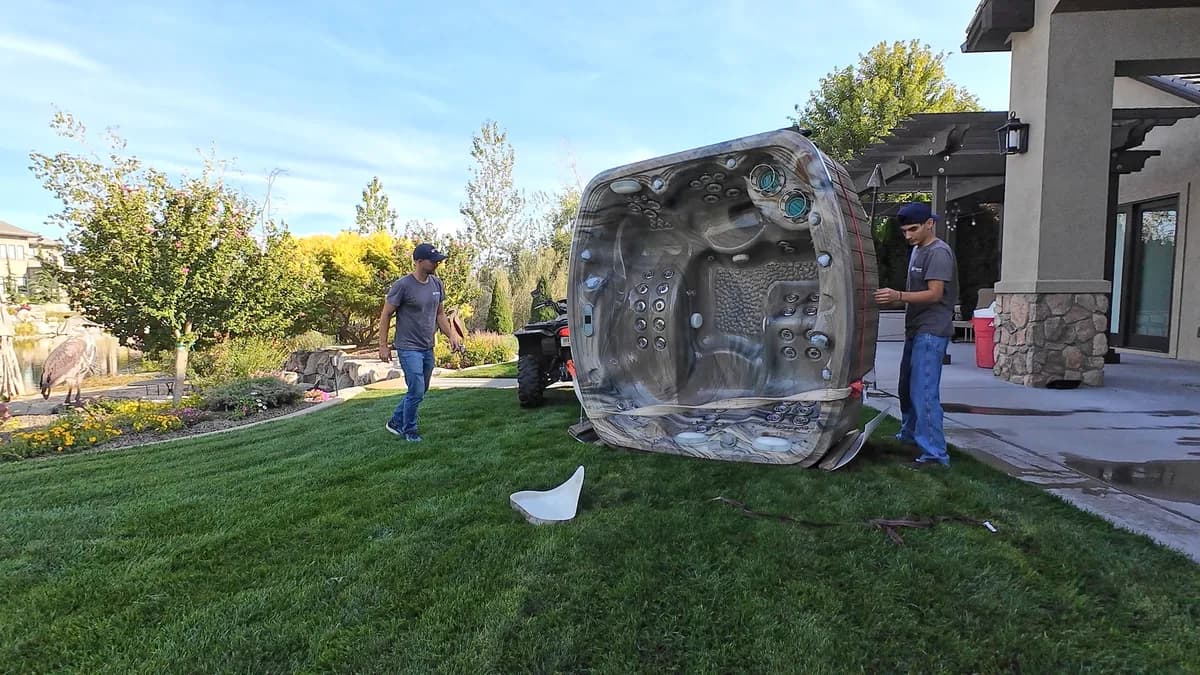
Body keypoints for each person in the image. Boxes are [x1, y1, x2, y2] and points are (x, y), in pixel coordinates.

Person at [873, 202, 958, 467]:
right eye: (904, 231)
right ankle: (909, 437)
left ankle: (934, 454)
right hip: (916, 329)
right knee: (906, 389)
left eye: (913, 229)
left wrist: (898, 296)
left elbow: (935, 294)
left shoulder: (939, 253)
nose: (908, 235)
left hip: (932, 331)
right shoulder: (918, 250)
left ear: (929, 224)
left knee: (923, 392)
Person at [379, 243, 463, 441]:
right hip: (408, 347)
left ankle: (395, 421)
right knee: (416, 388)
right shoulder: (403, 286)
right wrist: (383, 346)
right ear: (418, 261)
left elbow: (440, 314)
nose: (437, 263)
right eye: (433, 260)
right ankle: (409, 430)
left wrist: (451, 335)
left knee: (421, 388)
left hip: (427, 346)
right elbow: (385, 315)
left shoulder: (436, 284)